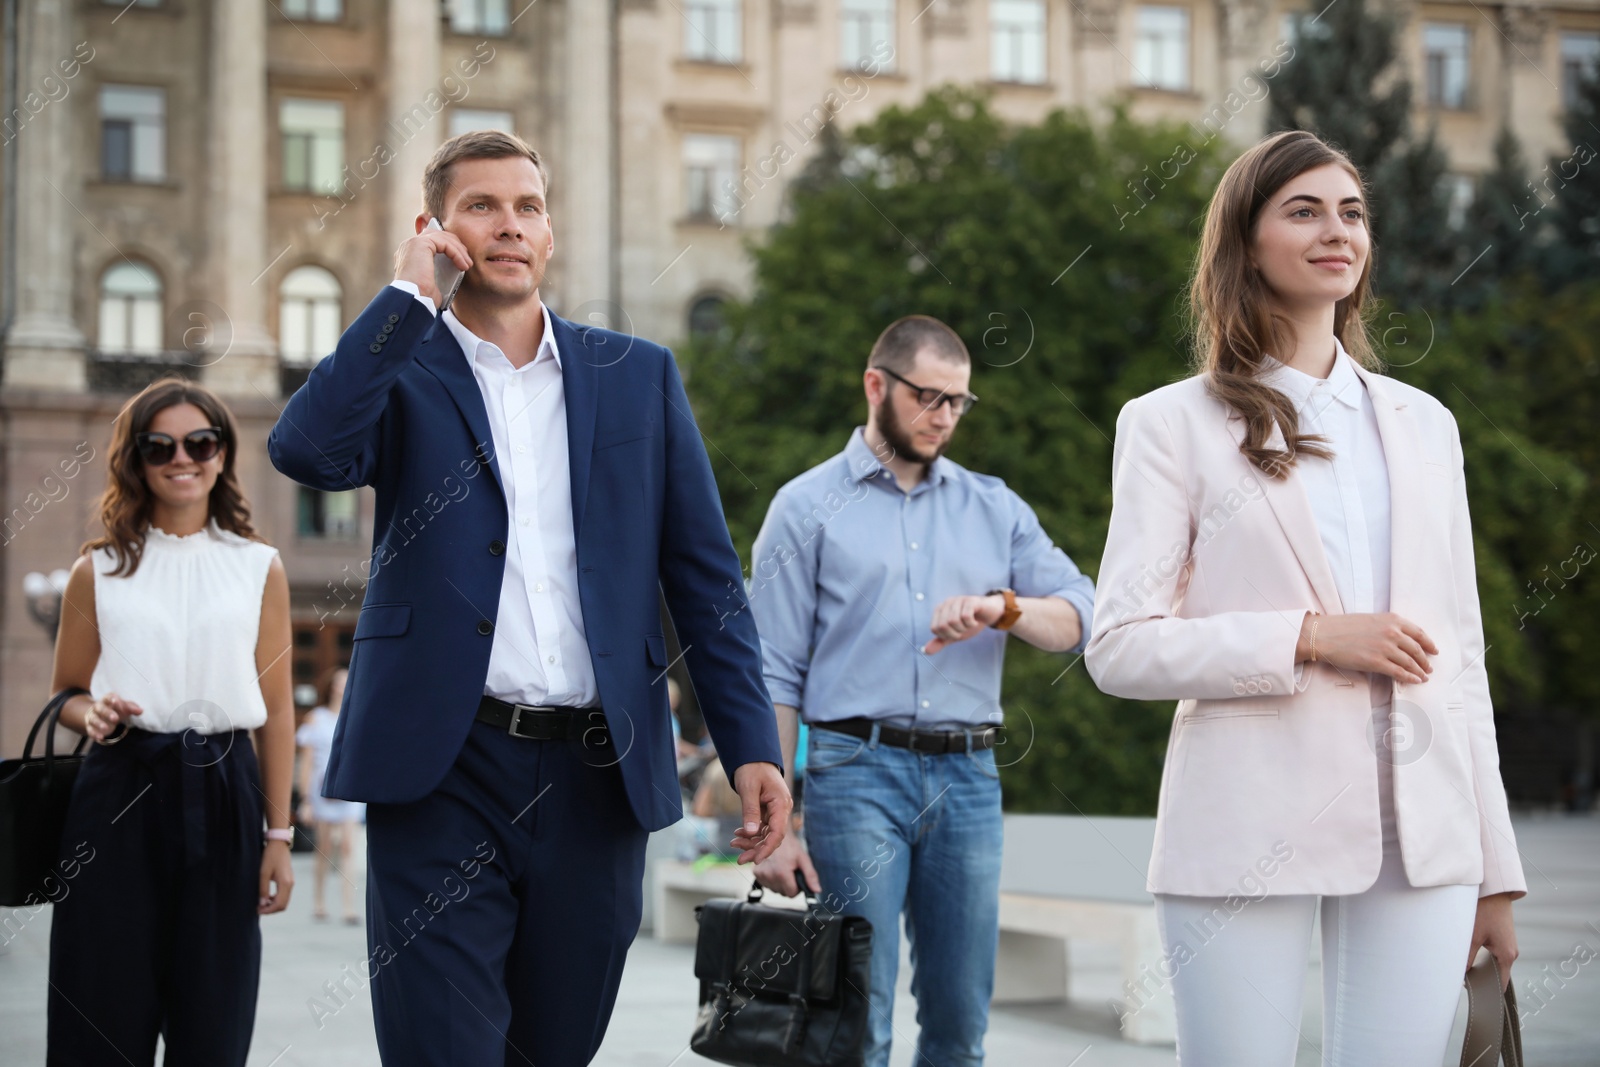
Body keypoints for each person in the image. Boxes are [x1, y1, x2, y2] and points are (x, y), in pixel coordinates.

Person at [267, 129, 788, 1067]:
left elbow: (706, 578)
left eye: (528, 207)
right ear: (439, 230)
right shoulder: (402, 369)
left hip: (599, 773)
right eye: (481, 206)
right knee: (444, 1049)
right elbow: (307, 450)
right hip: (443, 766)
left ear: (549, 232)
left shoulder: (638, 376)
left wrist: (753, 746)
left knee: (553, 1048)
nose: (509, 225)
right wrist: (404, 301)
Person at [1084, 130, 1523, 1065]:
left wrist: (1496, 870)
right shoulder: (1170, 422)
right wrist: (1312, 636)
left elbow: (1465, 661)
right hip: (1245, 822)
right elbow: (1118, 645)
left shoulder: (1427, 424)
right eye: (1305, 209)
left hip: (1427, 836)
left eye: (1353, 211)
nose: (1339, 230)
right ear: (1246, 243)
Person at [750, 315, 1096, 1066]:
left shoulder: (994, 506)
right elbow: (771, 672)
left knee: (959, 1021)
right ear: (877, 385)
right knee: (854, 1021)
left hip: (968, 781)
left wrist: (1005, 607)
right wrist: (776, 824)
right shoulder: (803, 508)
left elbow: (1080, 615)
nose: (944, 416)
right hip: (854, 775)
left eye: (959, 402)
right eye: (929, 397)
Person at [46, 377, 296, 1066]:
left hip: (224, 791)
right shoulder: (96, 569)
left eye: (199, 442)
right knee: (100, 1008)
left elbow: (276, 712)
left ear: (221, 454)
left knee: (213, 1020)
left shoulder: (258, 567)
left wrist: (280, 834)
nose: (181, 457)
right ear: (137, 459)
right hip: (116, 789)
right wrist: (89, 709)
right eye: (160, 446)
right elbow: (65, 689)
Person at [296, 665, 364, 923]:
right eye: (339, 682)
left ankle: (348, 907)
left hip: (350, 790)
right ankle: (319, 902)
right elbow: (307, 761)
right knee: (324, 848)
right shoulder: (316, 717)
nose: (343, 686)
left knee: (348, 846)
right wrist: (305, 800)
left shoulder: (357, 715)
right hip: (323, 790)